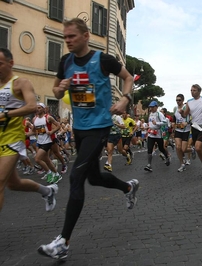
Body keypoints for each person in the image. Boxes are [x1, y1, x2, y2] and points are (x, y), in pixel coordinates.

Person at [38, 18, 139, 260]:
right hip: (79, 129)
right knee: (94, 178)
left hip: (100, 127)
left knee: (76, 177)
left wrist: (125, 99)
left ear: (86, 35)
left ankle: (63, 241)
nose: (68, 41)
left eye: (72, 36)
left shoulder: (103, 59)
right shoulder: (65, 62)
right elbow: (56, 90)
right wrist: (60, 89)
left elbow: (128, 78)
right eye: (65, 37)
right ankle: (128, 187)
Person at [0, 47, 58, 213]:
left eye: (0, 64)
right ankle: (47, 191)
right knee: (13, 184)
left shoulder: (21, 83)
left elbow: (31, 105)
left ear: (10, 63)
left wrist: (6, 114)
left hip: (12, 140)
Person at [33, 103, 63, 183]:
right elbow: (33, 130)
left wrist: (52, 131)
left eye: (39, 108)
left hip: (47, 141)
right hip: (39, 141)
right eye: (36, 108)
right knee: (47, 160)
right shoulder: (34, 119)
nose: (37, 109)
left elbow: (58, 125)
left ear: (43, 109)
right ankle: (56, 175)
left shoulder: (48, 118)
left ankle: (49, 172)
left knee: (37, 159)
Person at [144, 101, 170, 172]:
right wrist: (148, 127)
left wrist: (157, 123)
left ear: (156, 107)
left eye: (152, 107)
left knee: (161, 148)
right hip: (151, 134)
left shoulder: (159, 114)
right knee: (149, 149)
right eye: (150, 107)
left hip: (158, 134)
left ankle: (167, 157)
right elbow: (150, 123)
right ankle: (149, 165)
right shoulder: (150, 114)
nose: (151, 108)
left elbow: (164, 122)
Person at [173, 94, 192, 172]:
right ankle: (182, 164)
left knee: (183, 149)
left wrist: (187, 122)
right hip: (178, 130)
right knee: (178, 147)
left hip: (186, 130)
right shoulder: (175, 108)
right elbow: (174, 118)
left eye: (179, 100)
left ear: (183, 100)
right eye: (177, 100)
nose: (178, 101)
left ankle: (192, 149)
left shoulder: (186, 108)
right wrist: (173, 124)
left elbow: (192, 117)